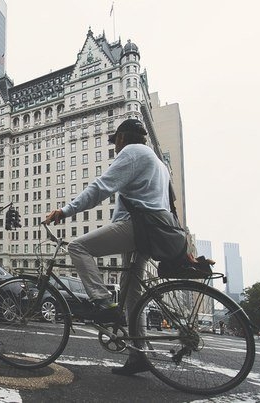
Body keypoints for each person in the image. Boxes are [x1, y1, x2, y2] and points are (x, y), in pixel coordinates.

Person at [44, 118, 170, 376]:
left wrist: (65, 211)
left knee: (78, 247)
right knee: (132, 293)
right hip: (155, 228)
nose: (114, 147)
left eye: (115, 141)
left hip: (137, 226)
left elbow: (100, 187)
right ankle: (139, 355)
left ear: (123, 138)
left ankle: (103, 303)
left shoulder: (132, 153)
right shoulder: (158, 162)